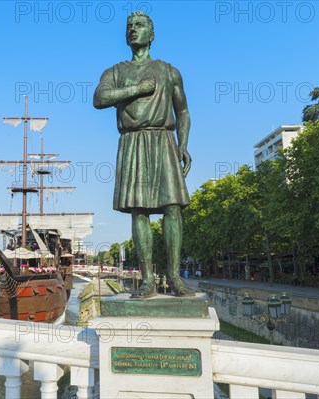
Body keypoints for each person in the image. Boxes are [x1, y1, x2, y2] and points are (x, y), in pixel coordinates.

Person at [94, 11, 194, 298]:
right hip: (133, 141)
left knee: (172, 207)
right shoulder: (115, 71)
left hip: (163, 139)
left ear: (152, 33)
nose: (133, 30)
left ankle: (174, 277)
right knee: (139, 210)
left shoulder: (169, 71)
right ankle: (148, 280)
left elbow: (183, 111)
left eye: (139, 26)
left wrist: (183, 144)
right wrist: (137, 89)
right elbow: (99, 99)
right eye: (129, 26)